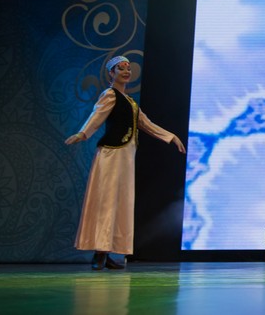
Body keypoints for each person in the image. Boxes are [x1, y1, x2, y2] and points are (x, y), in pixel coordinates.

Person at [65, 55, 186, 270]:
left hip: (126, 157)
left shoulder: (130, 102)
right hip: (111, 154)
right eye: (121, 68)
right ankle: (99, 252)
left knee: (121, 203)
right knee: (106, 201)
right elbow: (97, 116)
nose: (126, 71)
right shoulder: (110, 95)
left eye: (128, 68)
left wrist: (171, 136)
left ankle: (109, 250)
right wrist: (82, 134)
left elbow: (146, 124)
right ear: (111, 74)